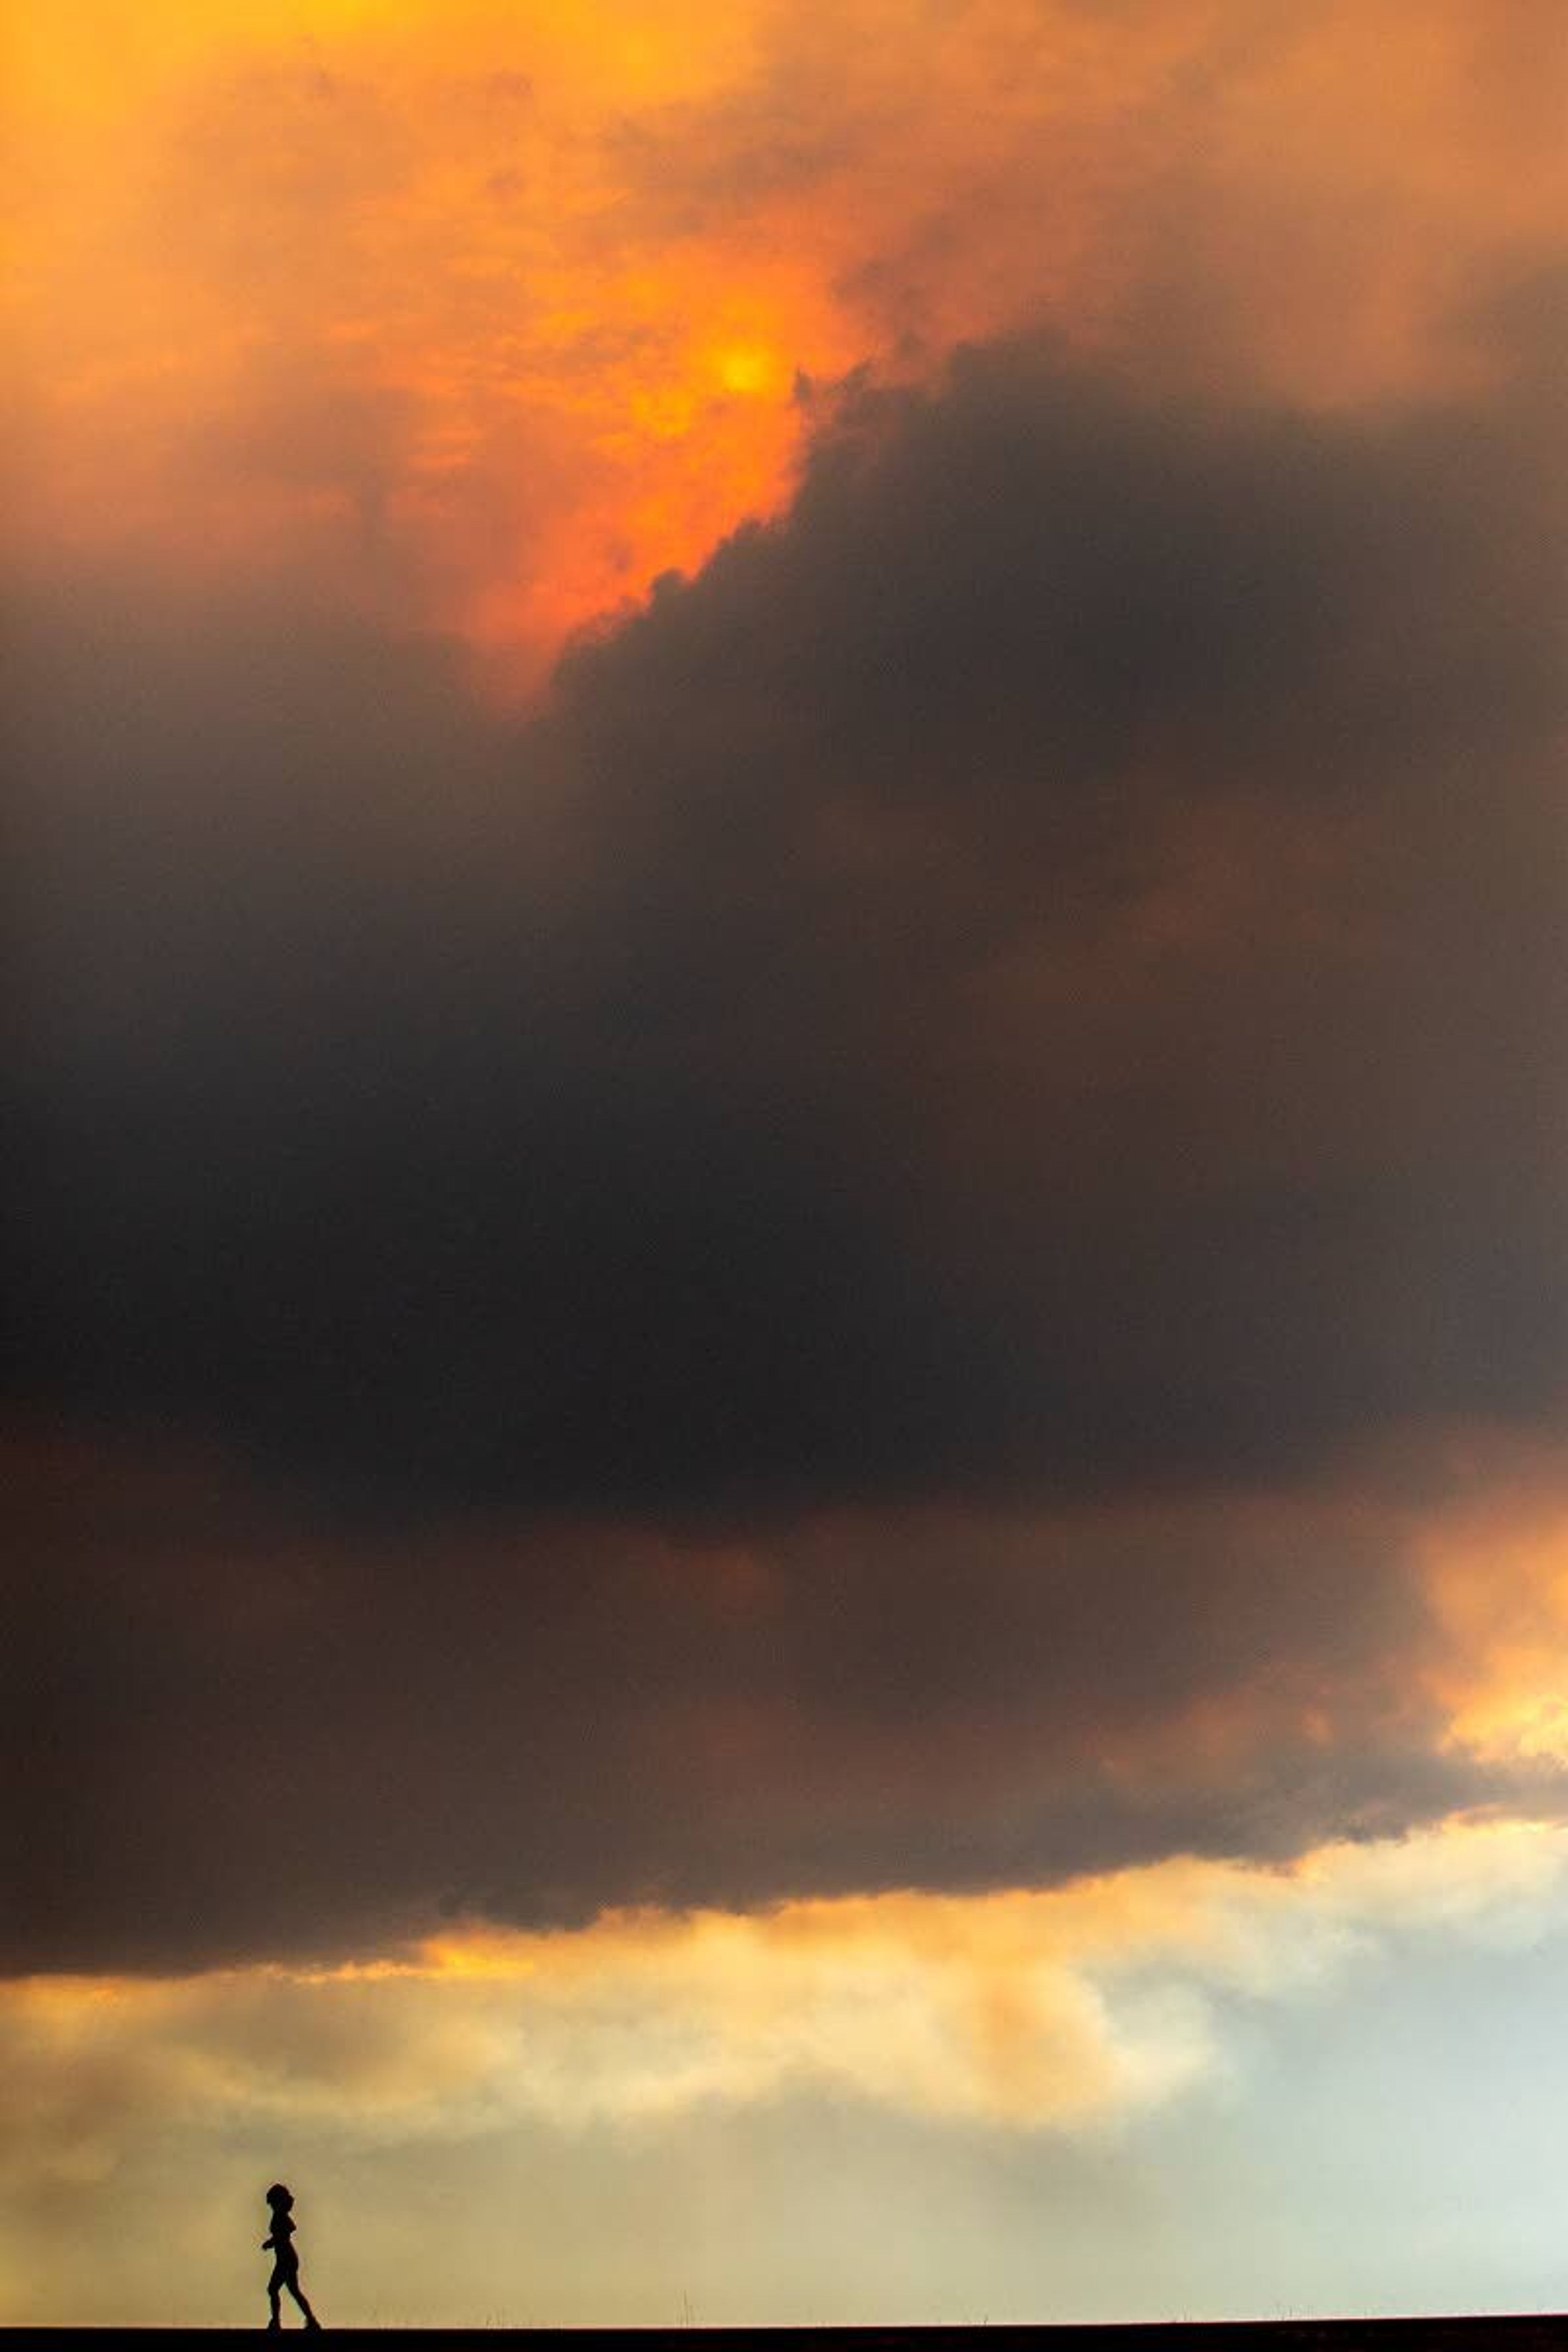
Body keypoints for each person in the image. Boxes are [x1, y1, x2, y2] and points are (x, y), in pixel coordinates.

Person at [262, 2182, 321, 2330]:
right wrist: (273, 2242)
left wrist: (272, 2242)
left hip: (286, 2259)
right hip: (286, 2258)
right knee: (293, 2291)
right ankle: (310, 2320)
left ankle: (276, 2322)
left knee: (273, 2289)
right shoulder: (280, 2215)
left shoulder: (280, 2215)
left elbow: (287, 2231)